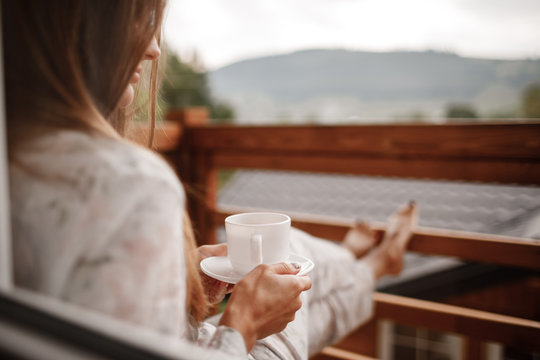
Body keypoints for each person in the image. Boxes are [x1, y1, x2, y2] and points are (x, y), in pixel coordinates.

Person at [4, 1, 417, 359]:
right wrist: (245, 325)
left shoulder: (17, 158)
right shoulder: (127, 184)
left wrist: (182, 283)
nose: (153, 49)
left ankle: (357, 260)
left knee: (291, 264)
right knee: (292, 270)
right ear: (77, 29)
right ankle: (374, 264)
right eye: (137, 18)